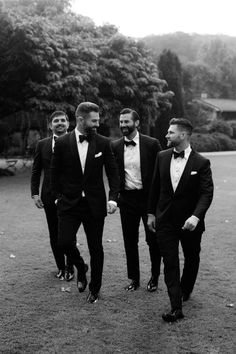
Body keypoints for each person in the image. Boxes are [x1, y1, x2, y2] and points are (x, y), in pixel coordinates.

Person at [50, 102, 119, 304]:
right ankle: (80, 267)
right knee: (63, 242)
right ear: (81, 119)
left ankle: (95, 288)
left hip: (94, 205)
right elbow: (54, 174)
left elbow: (113, 174)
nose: (97, 123)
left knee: (96, 247)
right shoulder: (62, 143)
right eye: (94, 120)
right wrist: (57, 197)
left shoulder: (104, 143)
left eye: (98, 120)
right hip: (69, 204)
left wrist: (113, 198)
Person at [147, 118, 213, 322]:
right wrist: (150, 213)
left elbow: (206, 193)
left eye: (170, 132)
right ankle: (176, 306)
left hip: (190, 223)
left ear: (183, 135)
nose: (166, 135)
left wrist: (195, 216)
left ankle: (186, 289)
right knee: (170, 262)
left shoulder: (201, 162)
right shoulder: (162, 156)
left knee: (191, 258)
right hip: (165, 220)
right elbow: (155, 187)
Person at [111, 108, 162, 292]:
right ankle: (134, 279)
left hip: (149, 199)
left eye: (127, 121)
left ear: (137, 123)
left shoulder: (152, 144)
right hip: (127, 200)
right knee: (129, 241)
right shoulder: (115, 146)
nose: (123, 125)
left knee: (153, 240)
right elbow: (114, 176)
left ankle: (155, 277)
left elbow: (160, 174)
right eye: (121, 122)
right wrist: (114, 198)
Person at [31, 111, 74, 281]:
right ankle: (61, 268)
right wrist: (34, 193)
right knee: (54, 233)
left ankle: (71, 266)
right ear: (50, 125)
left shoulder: (75, 142)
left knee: (69, 234)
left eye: (63, 120)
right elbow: (36, 171)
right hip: (48, 196)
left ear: (68, 124)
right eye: (56, 121)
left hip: (70, 196)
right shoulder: (42, 144)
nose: (60, 123)